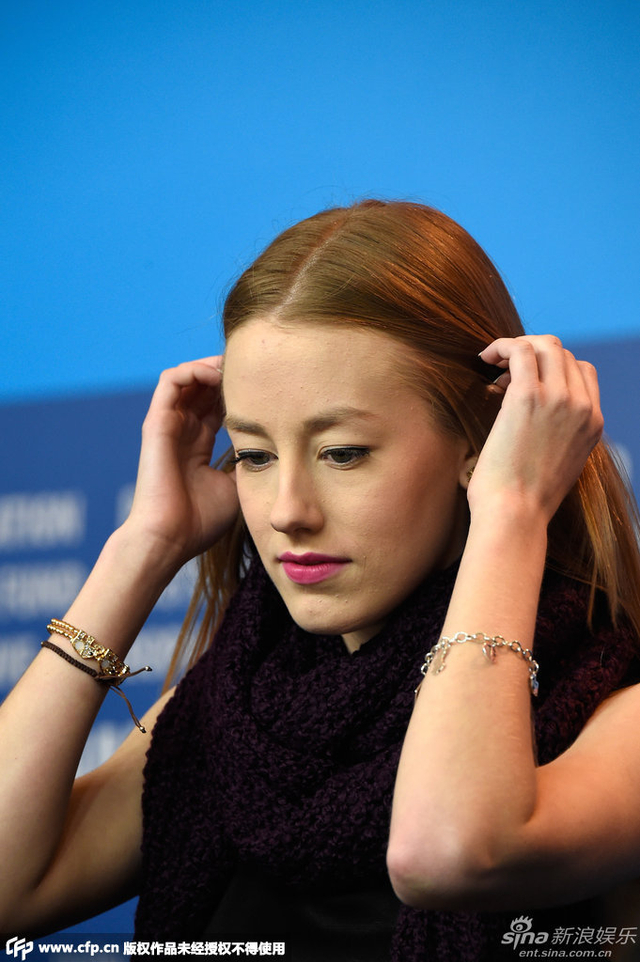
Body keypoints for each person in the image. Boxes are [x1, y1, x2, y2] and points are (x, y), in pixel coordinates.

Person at [1, 199, 640, 961]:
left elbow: (448, 853)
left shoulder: (621, 712)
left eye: (342, 453)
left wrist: (512, 511)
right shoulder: (235, 714)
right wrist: (144, 544)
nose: (287, 512)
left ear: (484, 440)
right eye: (254, 455)